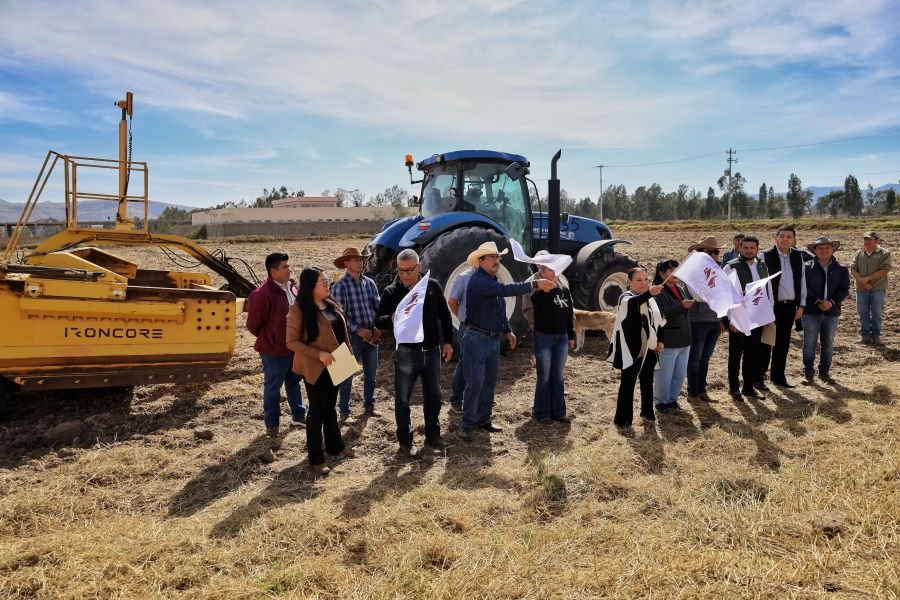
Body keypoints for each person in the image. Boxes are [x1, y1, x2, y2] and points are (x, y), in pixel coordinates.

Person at [459, 241, 555, 441]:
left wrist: (508, 330)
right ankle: (467, 424)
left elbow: (499, 308)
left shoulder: (491, 281)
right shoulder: (478, 280)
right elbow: (507, 291)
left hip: (491, 338)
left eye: (498, 257)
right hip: (476, 338)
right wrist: (535, 283)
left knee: (489, 382)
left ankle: (483, 419)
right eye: (492, 257)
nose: (497, 261)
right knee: (475, 383)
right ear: (480, 261)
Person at [375, 249, 454, 455]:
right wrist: (390, 318)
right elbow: (378, 320)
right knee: (403, 399)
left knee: (434, 395)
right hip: (407, 354)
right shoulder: (392, 292)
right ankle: (405, 440)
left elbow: (444, 316)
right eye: (401, 271)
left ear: (419, 268)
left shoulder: (432, 286)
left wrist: (447, 342)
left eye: (409, 270)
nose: (405, 275)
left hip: (432, 351)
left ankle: (433, 436)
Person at [286, 267, 355, 475]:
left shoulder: (330, 304)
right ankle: (316, 457)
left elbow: (341, 333)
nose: (327, 285)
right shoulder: (298, 310)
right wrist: (319, 354)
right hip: (316, 367)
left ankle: (335, 446)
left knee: (330, 407)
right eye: (323, 282)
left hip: (337, 362)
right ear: (310, 287)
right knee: (316, 412)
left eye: (327, 281)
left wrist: (349, 355)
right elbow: (291, 342)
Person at [246, 252, 306, 438]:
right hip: (274, 351)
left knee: (294, 382)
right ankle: (272, 424)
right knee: (273, 388)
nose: (289, 269)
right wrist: (271, 337)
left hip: (294, 347)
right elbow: (253, 325)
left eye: (289, 266)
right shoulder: (262, 294)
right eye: (285, 267)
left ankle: (298, 415)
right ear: (273, 271)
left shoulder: (293, 288)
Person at [330, 247, 382, 423]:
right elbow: (339, 315)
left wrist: (378, 327)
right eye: (356, 260)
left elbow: (378, 307)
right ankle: (344, 411)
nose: (360, 262)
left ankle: (369, 405)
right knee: (346, 376)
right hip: (351, 338)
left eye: (361, 259)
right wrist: (358, 330)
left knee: (371, 373)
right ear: (346, 264)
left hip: (371, 335)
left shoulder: (370, 283)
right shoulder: (339, 287)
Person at [607, 267, 664, 427]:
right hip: (630, 350)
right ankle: (623, 420)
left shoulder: (652, 300)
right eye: (638, 280)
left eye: (646, 279)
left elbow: (659, 321)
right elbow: (633, 304)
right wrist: (649, 294)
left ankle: (647, 413)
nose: (643, 283)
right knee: (627, 384)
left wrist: (660, 340)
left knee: (647, 382)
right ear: (630, 282)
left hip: (648, 348)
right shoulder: (625, 297)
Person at [522, 254, 575, 424]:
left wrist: (571, 334)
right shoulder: (537, 290)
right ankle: (542, 412)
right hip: (543, 336)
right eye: (550, 270)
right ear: (541, 272)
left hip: (561, 337)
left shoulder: (564, 287)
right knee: (544, 376)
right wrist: (546, 289)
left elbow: (568, 312)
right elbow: (533, 304)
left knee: (558, 375)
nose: (554, 273)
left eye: (555, 270)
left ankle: (559, 412)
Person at [758, 225, 806, 388]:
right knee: (766, 342)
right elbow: (759, 283)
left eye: (789, 237)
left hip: (789, 307)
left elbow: (802, 282)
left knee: (783, 343)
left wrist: (801, 305)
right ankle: (759, 377)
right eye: (782, 236)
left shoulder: (798, 257)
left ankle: (778, 376)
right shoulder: (764, 256)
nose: (785, 239)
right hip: (770, 307)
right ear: (775, 238)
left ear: (794, 240)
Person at [723, 235, 770, 401]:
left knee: (752, 354)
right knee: (736, 355)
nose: (749, 251)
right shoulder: (731, 267)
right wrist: (730, 320)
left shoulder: (762, 265)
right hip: (738, 318)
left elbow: (767, 289)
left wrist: (767, 314)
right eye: (746, 248)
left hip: (756, 317)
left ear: (757, 249)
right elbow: (724, 294)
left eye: (752, 248)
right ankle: (734, 389)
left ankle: (748, 388)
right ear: (740, 248)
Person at [800, 237, 850, 385]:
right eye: (820, 248)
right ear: (814, 251)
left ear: (832, 249)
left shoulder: (841, 269)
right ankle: (808, 373)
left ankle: (824, 372)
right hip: (810, 312)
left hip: (832, 312)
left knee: (827, 343)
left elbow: (844, 289)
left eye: (826, 247)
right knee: (809, 343)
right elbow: (804, 287)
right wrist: (818, 302)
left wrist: (831, 302)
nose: (823, 250)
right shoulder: (806, 267)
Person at [685, 237, 726, 403]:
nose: (714, 255)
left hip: (714, 320)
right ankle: (692, 393)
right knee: (695, 358)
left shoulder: (718, 271)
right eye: (710, 252)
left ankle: (702, 390)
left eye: (716, 252)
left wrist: (722, 320)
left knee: (705, 358)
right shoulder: (692, 272)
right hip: (697, 321)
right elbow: (697, 296)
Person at [652, 260, 694, 413]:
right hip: (668, 340)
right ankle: (660, 402)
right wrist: (681, 306)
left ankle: (672, 400)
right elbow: (661, 316)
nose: (675, 273)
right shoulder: (658, 292)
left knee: (679, 374)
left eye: (677, 270)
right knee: (664, 374)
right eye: (671, 270)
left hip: (684, 338)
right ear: (661, 273)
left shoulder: (680, 288)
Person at [850, 231, 892, 344]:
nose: (866, 242)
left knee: (877, 314)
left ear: (876, 241)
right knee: (863, 314)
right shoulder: (859, 253)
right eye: (865, 239)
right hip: (861, 289)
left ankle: (876, 336)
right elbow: (853, 269)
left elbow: (884, 270)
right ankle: (865, 336)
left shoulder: (884, 253)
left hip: (877, 289)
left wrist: (867, 280)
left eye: (869, 239)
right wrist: (862, 282)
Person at [447, 266, 476, 413]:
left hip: (483, 328)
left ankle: (476, 399)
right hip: (469, 326)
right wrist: (462, 317)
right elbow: (452, 301)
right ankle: (456, 398)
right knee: (465, 362)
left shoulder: (491, 277)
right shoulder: (464, 277)